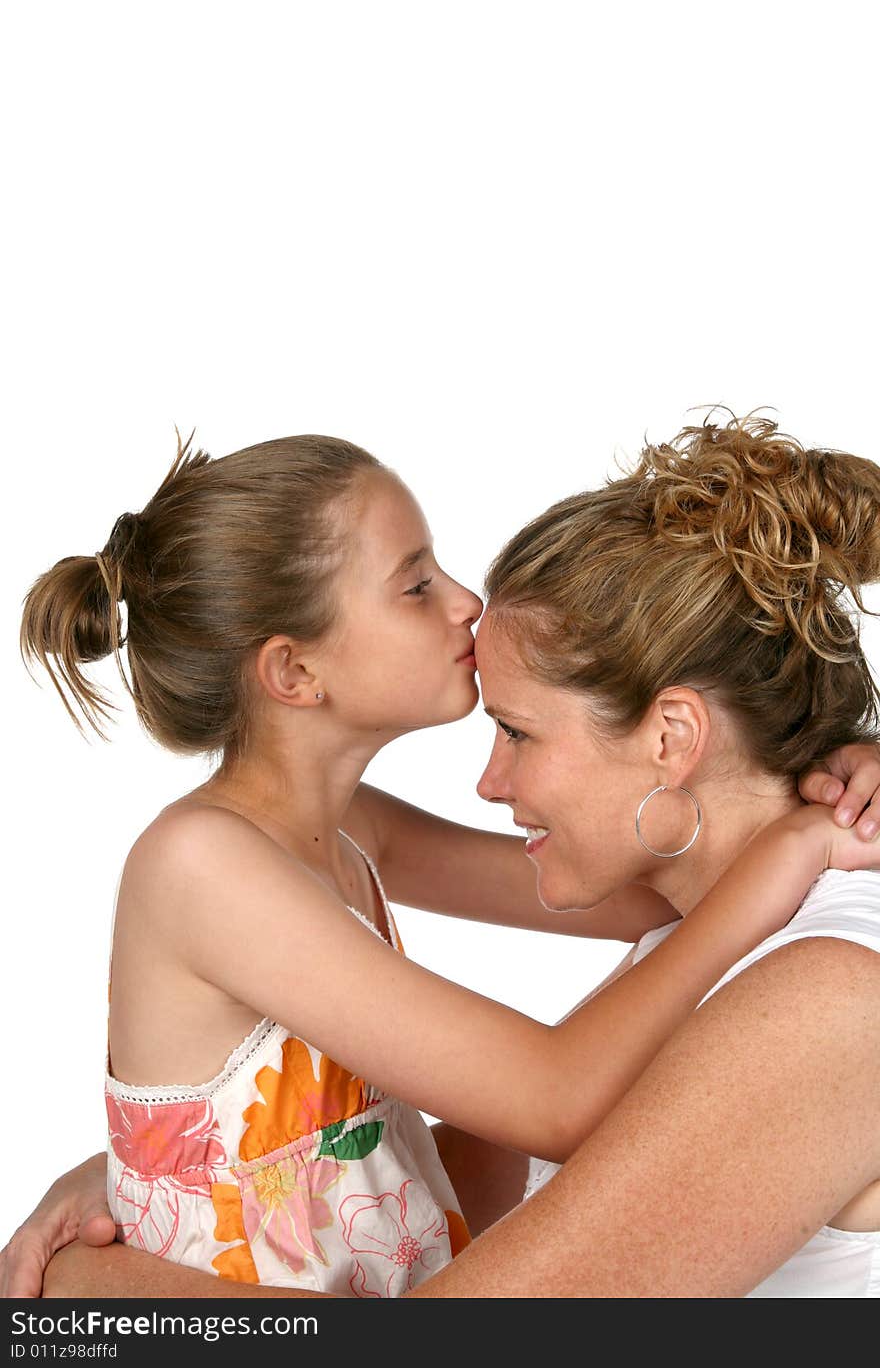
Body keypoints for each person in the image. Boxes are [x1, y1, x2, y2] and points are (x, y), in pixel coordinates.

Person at [4, 413, 880, 1298]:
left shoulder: (350, 830)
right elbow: (550, 1092)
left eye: (519, 732)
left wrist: (827, 775)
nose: (465, 603)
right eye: (415, 584)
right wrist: (798, 835)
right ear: (296, 674)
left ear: (673, 734)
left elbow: (642, 916)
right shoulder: (204, 861)